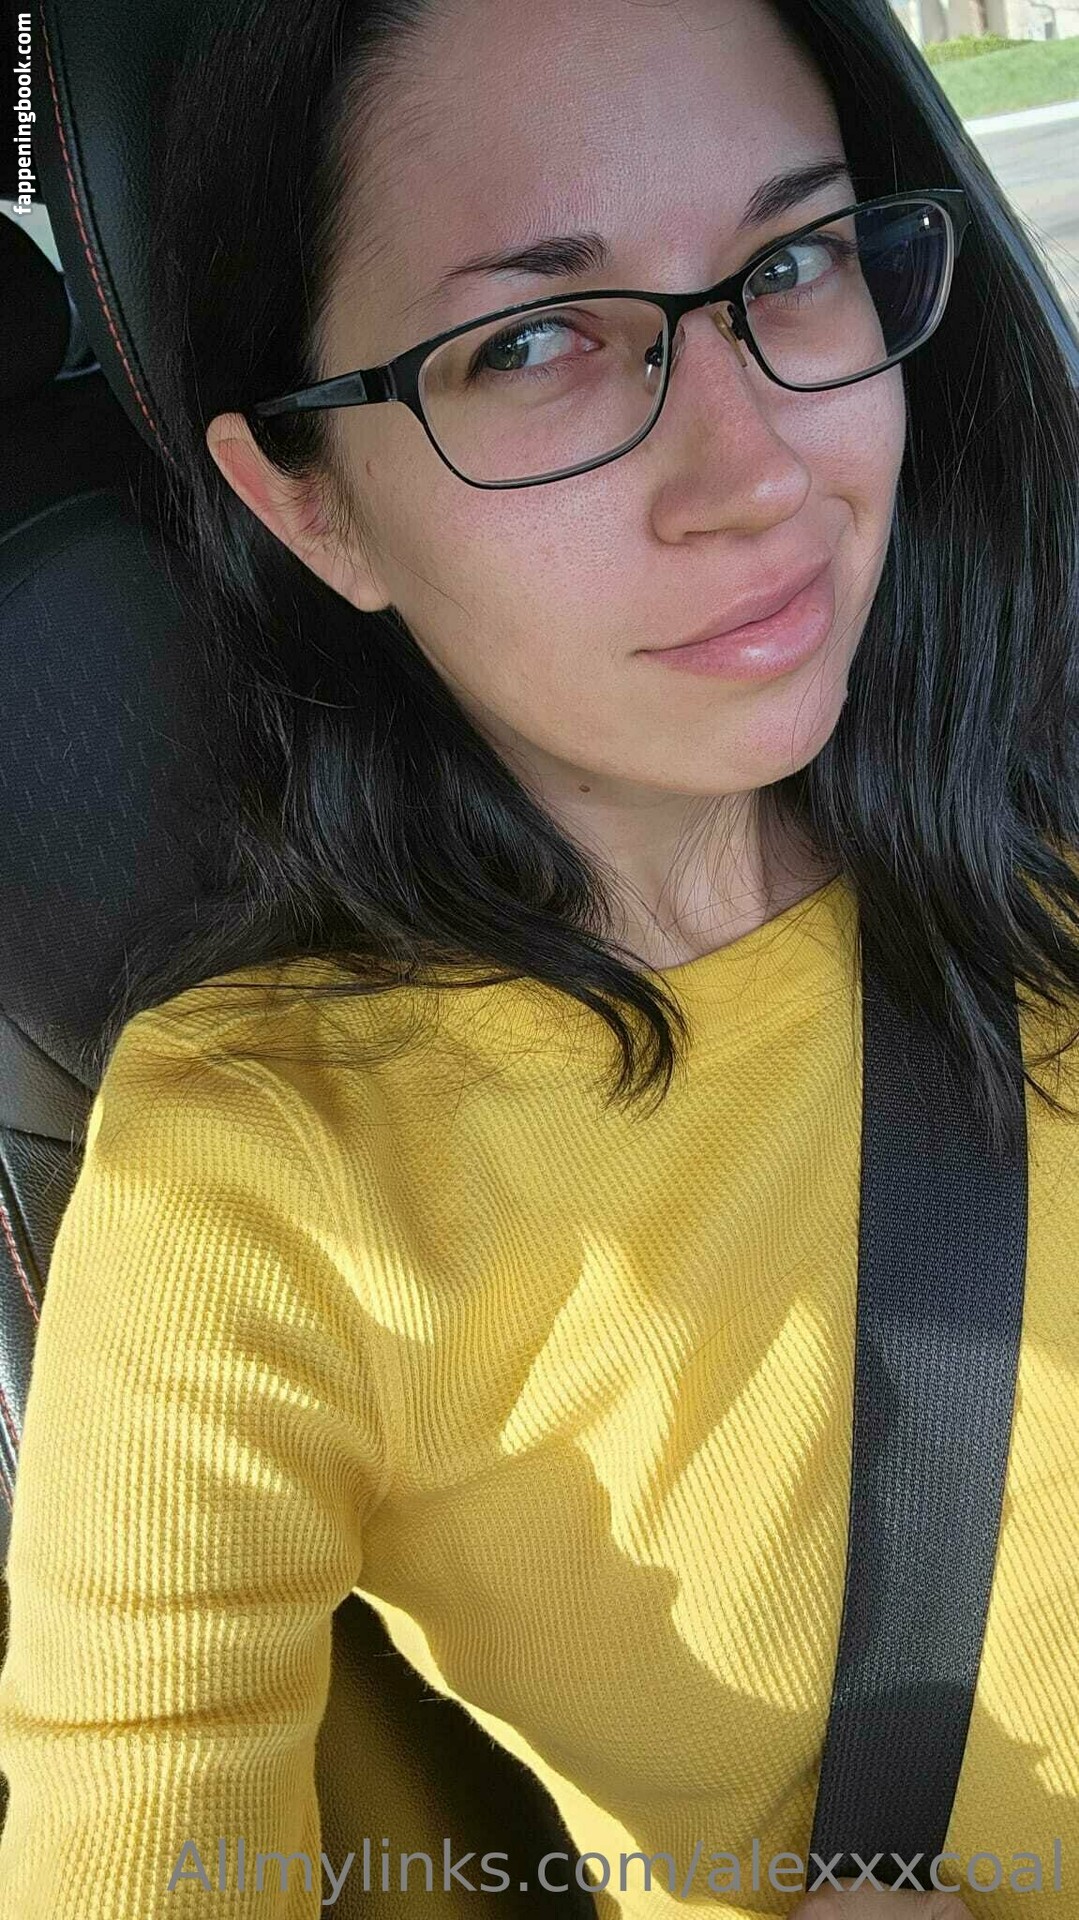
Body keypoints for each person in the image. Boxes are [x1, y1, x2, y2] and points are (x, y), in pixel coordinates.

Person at [0, 0, 1076, 1912]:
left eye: (793, 263)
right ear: (311, 504)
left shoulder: (1043, 788)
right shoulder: (263, 1176)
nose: (756, 471)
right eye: (530, 343)